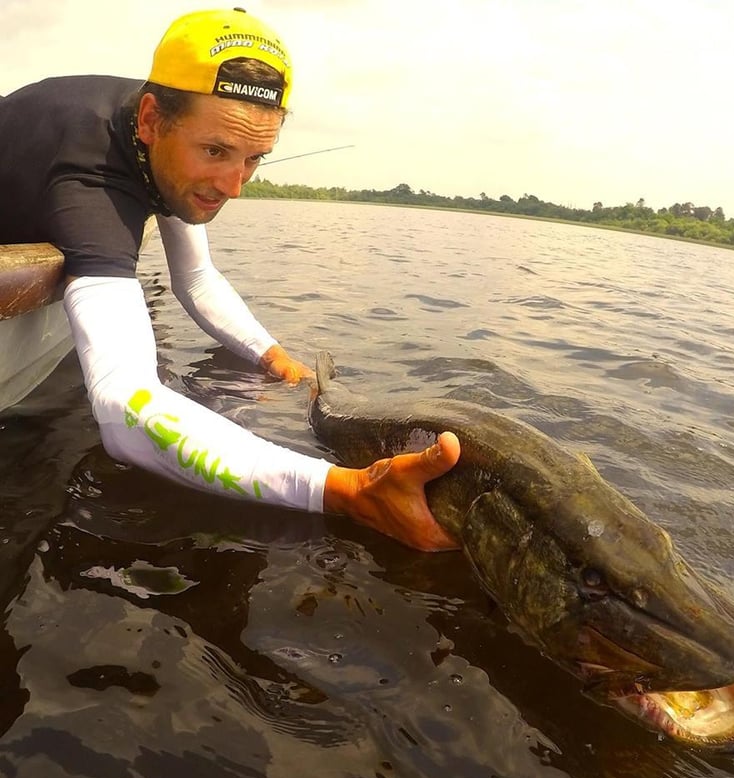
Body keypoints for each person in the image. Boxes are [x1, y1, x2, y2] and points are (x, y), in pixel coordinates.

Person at [0, 7, 460, 552]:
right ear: (150, 120)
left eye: (253, 159)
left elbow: (195, 279)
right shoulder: (91, 181)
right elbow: (124, 408)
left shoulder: (166, 130)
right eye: (216, 152)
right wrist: (345, 489)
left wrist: (272, 356)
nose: (233, 186)